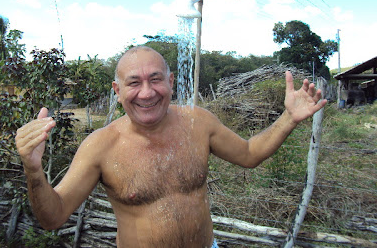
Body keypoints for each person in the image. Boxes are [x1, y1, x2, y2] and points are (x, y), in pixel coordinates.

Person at [16, 46, 327, 248]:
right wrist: (33, 169)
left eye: (156, 79)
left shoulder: (199, 123)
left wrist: (289, 118)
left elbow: (248, 154)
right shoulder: (100, 146)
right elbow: (53, 218)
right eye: (134, 83)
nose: (147, 93)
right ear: (117, 90)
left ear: (171, 81)